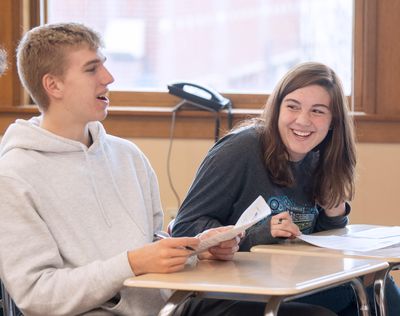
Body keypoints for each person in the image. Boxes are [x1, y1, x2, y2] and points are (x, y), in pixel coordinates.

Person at [0, 24, 337, 316]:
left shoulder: (127, 156)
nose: (109, 77)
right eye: (92, 69)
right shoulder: (14, 175)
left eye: (105, 65)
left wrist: (198, 251)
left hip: (169, 305)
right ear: (53, 86)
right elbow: (36, 295)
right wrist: (132, 264)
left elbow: (153, 245)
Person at [172, 62, 400, 315]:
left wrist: (334, 213)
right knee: (340, 305)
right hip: (232, 289)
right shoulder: (240, 150)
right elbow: (184, 227)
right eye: (293, 106)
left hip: (287, 282)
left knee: (376, 286)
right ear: (277, 108)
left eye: (318, 111)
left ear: (333, 120)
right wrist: (258, 233)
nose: (303, 121)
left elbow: (313, 244)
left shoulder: (320, 155)